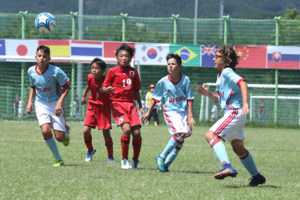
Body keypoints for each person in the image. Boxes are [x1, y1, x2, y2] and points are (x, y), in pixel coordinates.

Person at [196, 45, 266, 186]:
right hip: (236, 114)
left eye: (217, 56)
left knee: (210, 135)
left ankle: (227, 167)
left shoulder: (227, 71)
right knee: (238, 147)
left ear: (226, 59)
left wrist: (245, 103)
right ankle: (257, 176)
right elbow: (222, 100)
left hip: (234, 112)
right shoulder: (221, 75)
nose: (214, 58)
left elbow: (243, 82)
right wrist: (208, 94)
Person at [141, 53, 195, 173]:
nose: (170, 66)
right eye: (168, 64)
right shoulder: (163, 82)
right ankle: (161, 156)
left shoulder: (185, 79)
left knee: (181, 139)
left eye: (173, 64)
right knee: (180, 134)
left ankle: (166, 165)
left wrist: (190, 116)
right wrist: (148, 112)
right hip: (171, 112)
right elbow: (156, 98)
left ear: (180, 67)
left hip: (184, 112)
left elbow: (190, 98)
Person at [26, 45, 71, 167]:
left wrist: (60, 102)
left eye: (44, 56)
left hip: (55, 103)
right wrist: (29, 102)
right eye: (39, 56)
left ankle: (65, 130)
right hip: (40, 104)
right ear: (35, 57)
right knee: (45, 131)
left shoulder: (56, 71)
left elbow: (67, 87)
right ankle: (58, 159)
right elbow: (33, 87)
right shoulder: (30, 71)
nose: (42, 58)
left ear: (49, 58)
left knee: (60, 138)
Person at [101, 43, 144, 169]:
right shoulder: (112, 71)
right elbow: (103, 87)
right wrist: (106, 89)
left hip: (131, 105)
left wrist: (140, 106)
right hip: (117, 104)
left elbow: (136, 90)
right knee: (126, 129)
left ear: (131, 58)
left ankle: (135, 160)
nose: (124, 58)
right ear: (117, 58)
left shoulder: (133, 72)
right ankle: (124, 159)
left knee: (136, 133)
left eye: (127, 56)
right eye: (121, 56)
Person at [81, 58, 114, 162]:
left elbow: (112, 92)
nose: (94, 70)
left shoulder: (107, 81)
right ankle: (90, 150)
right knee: (86, 131)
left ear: (103, 70)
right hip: (91, 106)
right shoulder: (90, 77)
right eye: (92, 68)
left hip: (104, 108)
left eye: (97, 68)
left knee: (106, 133)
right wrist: (83, 96)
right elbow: (88, 85)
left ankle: (110, 156)